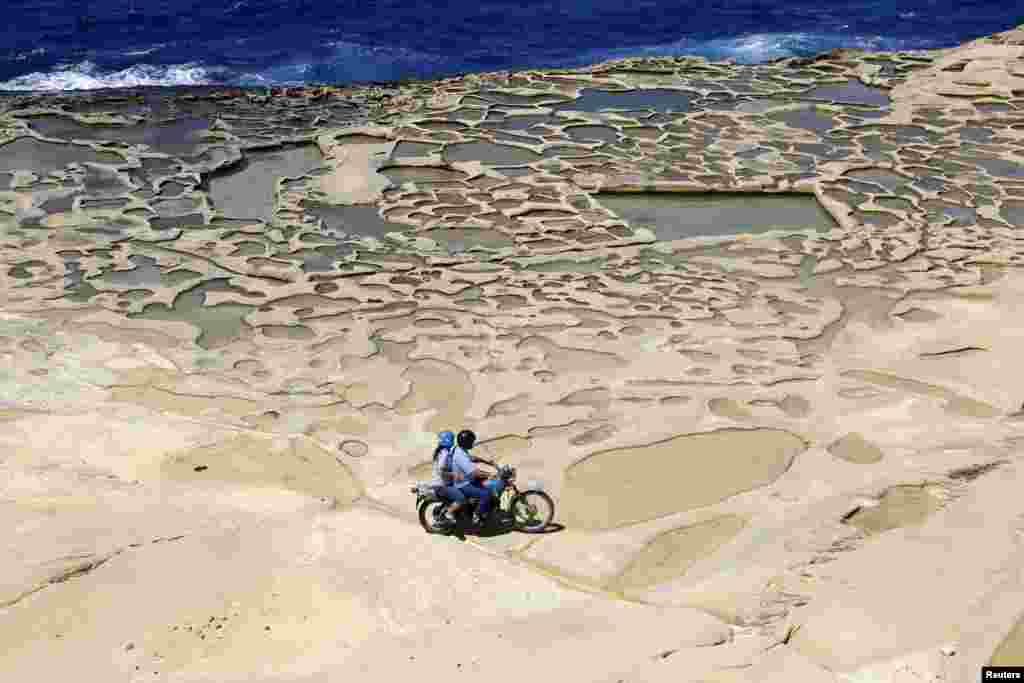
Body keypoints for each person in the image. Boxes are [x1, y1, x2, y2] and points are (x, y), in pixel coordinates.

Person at [449, 429, 494, 526]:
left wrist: (486, 461)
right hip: (463, 484)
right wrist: (490, 475)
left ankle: (483, 508)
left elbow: (472, 458)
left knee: (487, 484)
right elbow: (474, 473)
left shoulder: (460, 449)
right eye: (471, 441)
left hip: (466, 478)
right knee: (487, 494)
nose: (473, 443)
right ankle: (476, 516)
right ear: (466, 443)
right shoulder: (459, 455)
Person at [431, 431, 465, 525]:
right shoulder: (444, 453)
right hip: (441, 485)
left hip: (440, 483)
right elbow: (441, 471)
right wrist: (455, 475)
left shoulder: (439, 451)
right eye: (452, 440)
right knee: (462, 499)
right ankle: (448, 514)